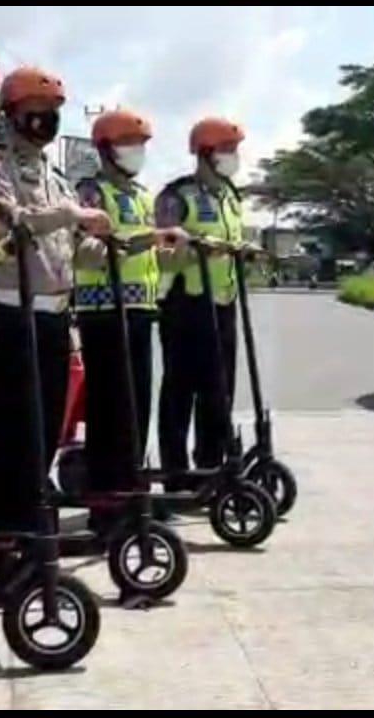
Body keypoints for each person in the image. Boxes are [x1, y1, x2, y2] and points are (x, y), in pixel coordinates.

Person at [0, 66, 112, 537]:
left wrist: (108, 244)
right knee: (9, 429)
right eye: (37, 112)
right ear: (12, 114)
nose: (46, 121)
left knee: (48, 426)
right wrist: (69, 215)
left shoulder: (57, 177)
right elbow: (12, 221)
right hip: (7, 312)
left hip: (52, 316)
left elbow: (69, 247)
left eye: (53, 113)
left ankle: (30, 519)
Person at [72, 109, 185, 527]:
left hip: (139, 311)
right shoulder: (91, 193)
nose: (137, 153)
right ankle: (106, 506)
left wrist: (167, 251)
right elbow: (86, 252)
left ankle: (131, 491)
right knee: (110, 411)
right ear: (105, 149)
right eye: (128, 144)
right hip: (103, 311)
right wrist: (140, 243)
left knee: (137, 407)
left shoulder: (139, 196)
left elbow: (146, 252)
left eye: (141, 144)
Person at [156, 117, 247, 480]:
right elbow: (160, 250)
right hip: (186, 305)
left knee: (220, 389)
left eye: (235, 150)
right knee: (181, 391)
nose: (233, 157)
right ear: (206, 154)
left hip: (224, 303)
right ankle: (175, 474)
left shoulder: (231, 197)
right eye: (227, 150)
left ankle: (212, 468)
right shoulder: (178, 196)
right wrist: (195, 252)